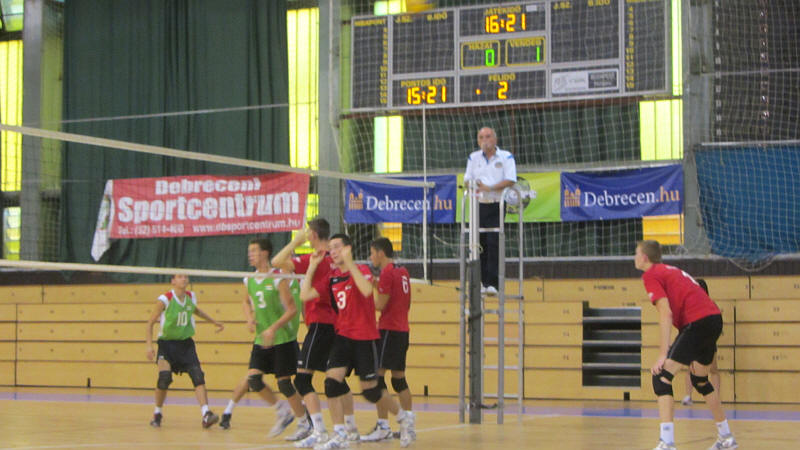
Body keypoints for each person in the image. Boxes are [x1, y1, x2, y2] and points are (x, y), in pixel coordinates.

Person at [300, 234, 413, 449]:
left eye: (337, 247)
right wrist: (312, 266)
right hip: (343, 337)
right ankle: (340, 435)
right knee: (331, 383)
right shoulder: (332, 277)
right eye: (331, 248)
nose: (333, 251)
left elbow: (367, 290)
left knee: (370, 391)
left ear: (348, 249)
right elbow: (304, 295)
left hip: (365, 338)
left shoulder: (361, 270)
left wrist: (350, 263)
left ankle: (402, 418)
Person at [634, 241, 737, 450]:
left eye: (636, 253)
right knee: (700, 380)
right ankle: (726, 437)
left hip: (697, 322)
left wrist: (663, 354)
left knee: (661, 377)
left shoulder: (651, 274)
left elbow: (666, 313)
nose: (634, 257)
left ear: (644, 257)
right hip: (713, 320)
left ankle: (667, 442)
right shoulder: (670, 270)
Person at [271, 218, 359, 447]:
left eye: (307, 232)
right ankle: (350, 429)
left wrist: (295, 242)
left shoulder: (316, 259)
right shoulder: (334, 259)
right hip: (336, 324)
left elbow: (276, 261)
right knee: (336, 380)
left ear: (312, 234)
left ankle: (319, 431)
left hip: (321, 324)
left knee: (302, 380)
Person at [217, 238, 310, 438]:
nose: (250, 254)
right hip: (261, 339)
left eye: (254, 251)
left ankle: (304, 422)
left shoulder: (278, 278)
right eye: (249, 251)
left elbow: (292, 310)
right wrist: (249, 318)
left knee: (284, 384)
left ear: (265, 253)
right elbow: (245, 301)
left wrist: (273, 328)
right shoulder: (249, 279)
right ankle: (282, 411)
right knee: (254, 379)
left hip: (282, 338)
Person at [145, 273, 224, 428]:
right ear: (173, 281)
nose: (184, 279)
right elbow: (150, 323)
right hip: (167, 345)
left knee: (197, 375)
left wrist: (214, 321)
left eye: (185, 277)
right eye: (180, 277)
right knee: (164, 378)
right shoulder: (165, 299)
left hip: (186, 345)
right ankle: (157, 413)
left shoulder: (190, 297)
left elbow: (196, 311)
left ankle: (206, 414)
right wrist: (149, 346)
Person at [361, 237, 416, 442]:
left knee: (376, 378)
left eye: (372, 253)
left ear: (380, 253)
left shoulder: (386, 273)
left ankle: (383, 426)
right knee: (399, 379)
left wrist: (364, 297)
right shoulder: (402, 271)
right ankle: (409, 426)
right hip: (402, 329)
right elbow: (404, 301)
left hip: (388, 330)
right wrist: (377, 284)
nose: (370, 257)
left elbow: (380, 305)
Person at [463, 126, 517, 295]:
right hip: (478, 204)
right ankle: (480, 282)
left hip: (496, 204)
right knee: (478, 244)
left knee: (494, 243)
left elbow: (511, 179)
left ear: (495, 139)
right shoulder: (473, 157)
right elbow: (467, 180)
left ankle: (493, 284)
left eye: (488, 137)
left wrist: (490, 187)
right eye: (481, 137)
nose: (484, 140)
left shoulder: (506, 156)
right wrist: (475, 185)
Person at [681, 279, 721, 406]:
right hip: (694, 341)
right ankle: (688, 396)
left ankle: (716, 397)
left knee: (713, 370)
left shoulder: (711, 305)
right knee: (690, 369)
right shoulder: (690, 305)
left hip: (708, 341)